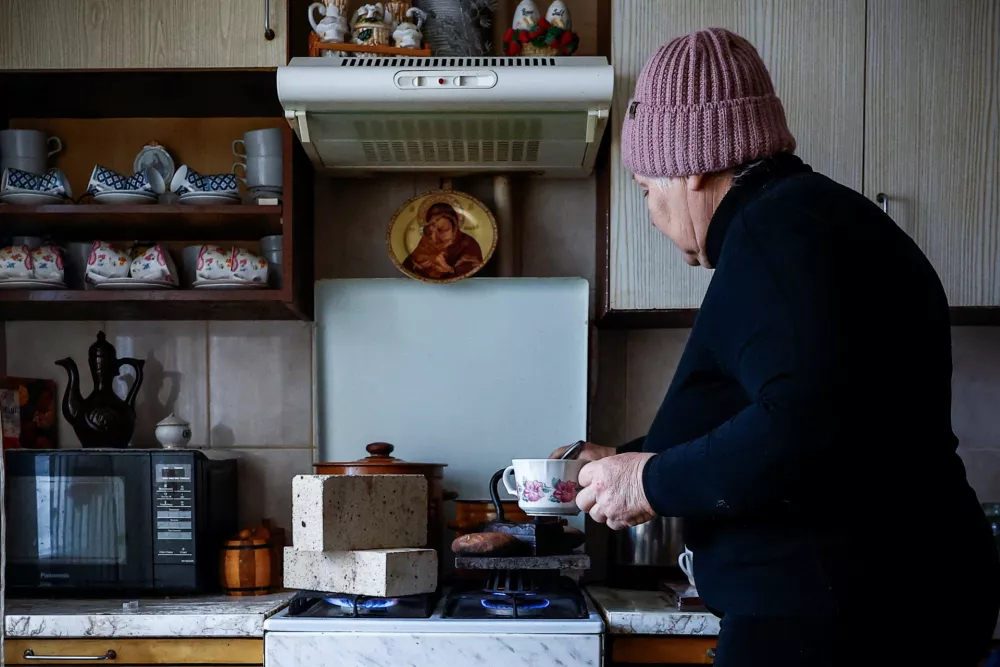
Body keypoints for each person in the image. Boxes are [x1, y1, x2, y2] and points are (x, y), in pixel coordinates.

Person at [552, 27, 1000, 666]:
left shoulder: (774, 233)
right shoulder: (814, 220)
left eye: (648, 192)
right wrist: (623, 460)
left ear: (691, 167)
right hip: (881, 596)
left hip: (838, 609)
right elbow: (783, 404)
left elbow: (805, 421)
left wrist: (648, 480)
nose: (651, 217)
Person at [402, 202, 484, 280]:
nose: (436, 236)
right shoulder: (427, 241)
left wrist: (449, 270)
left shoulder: (467, 243)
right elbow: (407, 267)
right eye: (431, 230)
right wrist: (421, 264)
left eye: (443, 229)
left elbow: (474, 269)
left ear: (454, 227)